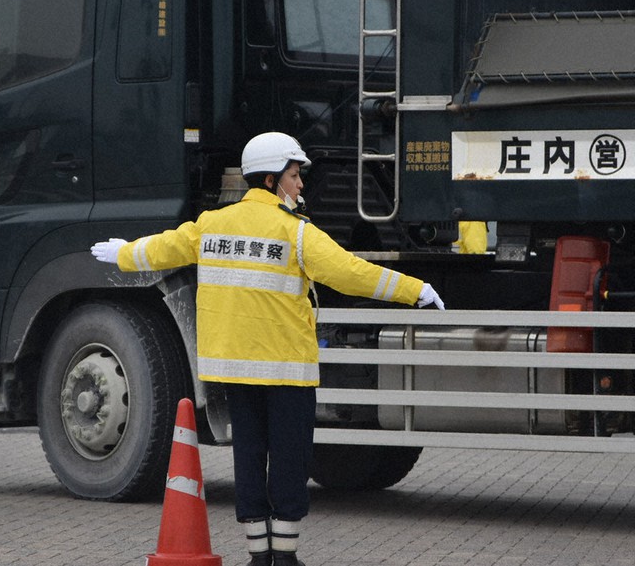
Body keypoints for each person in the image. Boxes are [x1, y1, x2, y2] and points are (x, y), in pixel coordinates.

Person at [91, 132, 444, 566]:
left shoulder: (213, 224)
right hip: (286, 371)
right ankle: (286, 555)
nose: (299, 185)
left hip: (235, 370)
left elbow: (167, 246)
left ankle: (258, 556)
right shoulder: (295, 232)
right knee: (290, 461)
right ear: (272, 178)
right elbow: (350, 273)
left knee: (249, 457)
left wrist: (125, 253)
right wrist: (416, 290)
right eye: (295, 176)